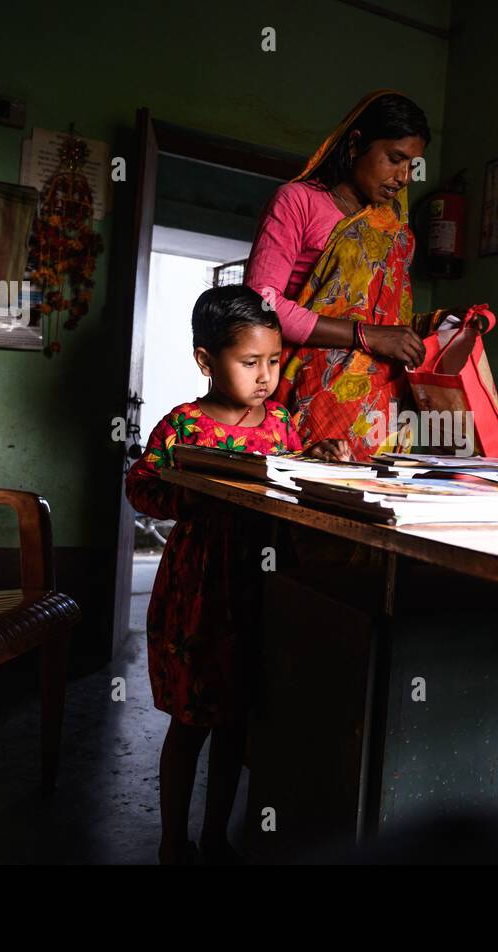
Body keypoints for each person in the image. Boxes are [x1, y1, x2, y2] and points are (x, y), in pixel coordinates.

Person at [125, 285, 348, 865]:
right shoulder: (182, 427)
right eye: (250, 363)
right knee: (191, 723)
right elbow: (140, 488)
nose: (266, 376)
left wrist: (319, 461)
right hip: (199, 594)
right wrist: (187, 489)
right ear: (206, 361)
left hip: (262, 587)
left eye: (273, 361)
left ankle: (217, 837)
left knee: (236, 726)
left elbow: (296, 485)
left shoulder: (280, 427)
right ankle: (173, 840)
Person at [245, 90, 431, 459]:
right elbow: (261, 305)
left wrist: (441, 329)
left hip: (384, 409)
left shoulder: (394, 231)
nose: (404, 177)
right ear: (356, 144)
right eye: (395, 159)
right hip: (309, 398)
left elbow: (387, 318)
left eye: (412, 166)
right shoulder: (298, 202)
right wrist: (365, 336)